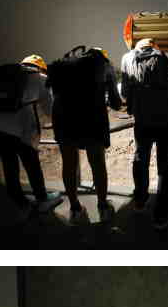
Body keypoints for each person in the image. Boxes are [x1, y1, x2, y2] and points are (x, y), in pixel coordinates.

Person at [0, 54, 62, 217]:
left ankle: (19, 203)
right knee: (31, 163)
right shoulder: (40, 78)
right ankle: (42, 200)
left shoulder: (3, 75)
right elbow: (50, 110)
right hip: (18, 128)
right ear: (41, 68)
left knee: (9, 163)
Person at [50, 47, 122, 226]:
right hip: (92, 119)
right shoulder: (104, 65)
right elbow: (116, 103)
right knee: (97, 163)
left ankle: (75, 209)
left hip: (63, 119)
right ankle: (103, 207)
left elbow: (54, 94)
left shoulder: (65, 65)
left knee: (69, 164)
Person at [121, 38, 168, 230]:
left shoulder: (127, 58)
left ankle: (139, 200)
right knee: (165, 165)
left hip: (142, 119)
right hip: (166, 120)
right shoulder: (161, 57)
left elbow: (125, 92)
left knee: (141, 157)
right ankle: (161, 214)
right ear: (153, 47)